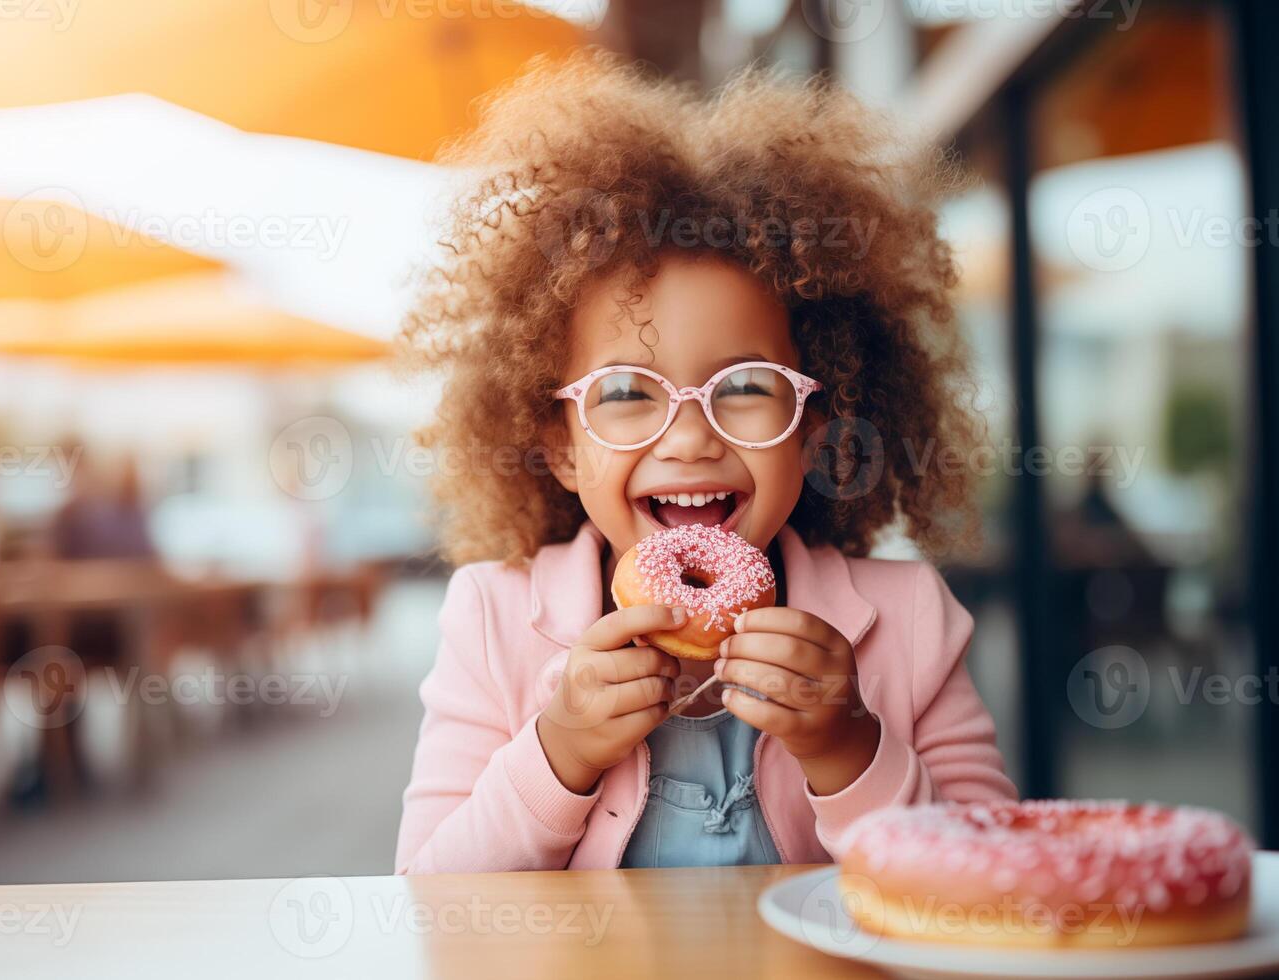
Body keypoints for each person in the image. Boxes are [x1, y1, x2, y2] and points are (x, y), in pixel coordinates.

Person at [393, 51, 1015, 874]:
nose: (689, 437)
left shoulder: (909, 623)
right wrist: (558, 752)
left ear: (817, 429)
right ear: (559, 444)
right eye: (625, 393)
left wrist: (849, 748)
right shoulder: (493, 620)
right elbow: (430, 901)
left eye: (746, 385)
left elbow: (986, 879)